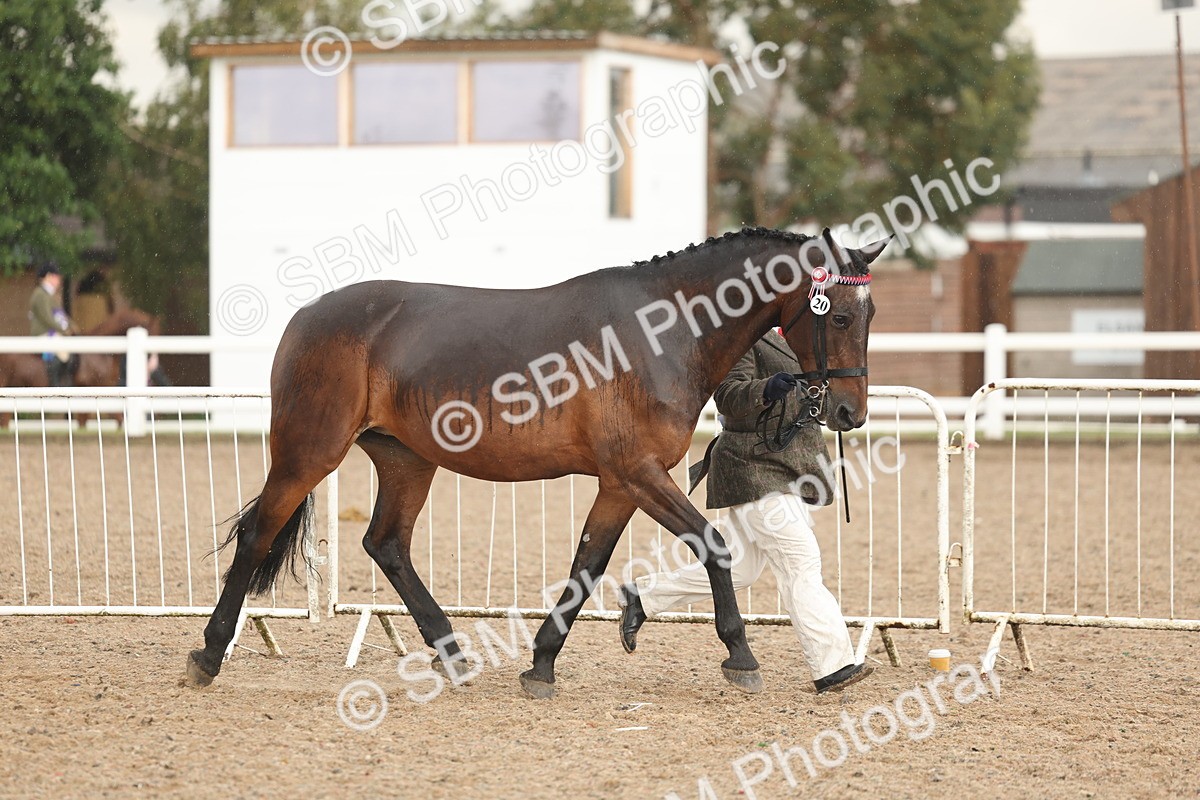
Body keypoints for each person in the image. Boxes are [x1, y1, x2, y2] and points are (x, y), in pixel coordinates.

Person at [618, 329, 872, 694]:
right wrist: (766, 389)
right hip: (751, 467)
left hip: (787, 467)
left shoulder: (805, 341)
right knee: (800, 562)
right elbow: (727, 396)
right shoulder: (746, 337)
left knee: (740, 569)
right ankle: (833, 666)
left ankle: (643, 597)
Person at [28, 261, 79, 386]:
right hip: (43, 332)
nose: (59, 280)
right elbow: (48, 318)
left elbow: (60, 314)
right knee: (64, 353)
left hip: (52, 331)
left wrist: (72, 326)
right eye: (56, 276)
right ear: (48, 276)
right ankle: (55, 383)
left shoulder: (50, 295)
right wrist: (63, 330)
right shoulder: (40, 294)